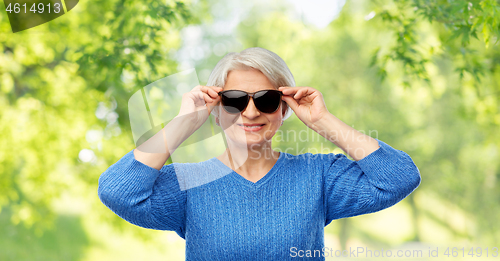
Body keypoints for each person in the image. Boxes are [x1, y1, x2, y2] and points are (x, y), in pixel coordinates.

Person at [98, 47, 421, 260]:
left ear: (284, 108)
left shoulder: (318, 176)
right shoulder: (190, 184)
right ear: (216, 109)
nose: (251, 112)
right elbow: (117, 191)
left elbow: (399, 178)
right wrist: (183, 124)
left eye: (265, 99)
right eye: (235, 100)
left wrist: (322, 120)